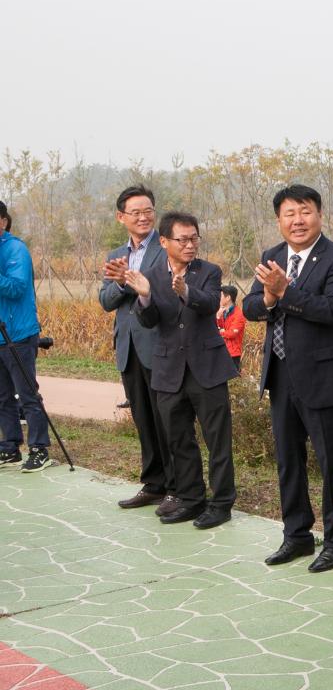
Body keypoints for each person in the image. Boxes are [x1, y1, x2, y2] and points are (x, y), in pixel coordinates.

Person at [243, 185, 333, 573]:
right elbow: (249, 307)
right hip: (280, 376)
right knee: (288, 461)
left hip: (325, 378)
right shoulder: (272, 256)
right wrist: (266, 298)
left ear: (319, 215)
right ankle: (296, 535)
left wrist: (285, 291)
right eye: (289, 213)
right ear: (279, 220)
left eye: (305, 211)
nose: (298, 220)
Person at [126, 212, 237, 529]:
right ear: (164, 242)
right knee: (178, 439)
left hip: (207, 368)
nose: (190, 245)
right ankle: (190, 498)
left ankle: (221, 502)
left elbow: (207, 303)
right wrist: (145, 295)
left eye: (194, 238)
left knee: (217, 440)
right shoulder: (150, 275)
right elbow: (148, 321)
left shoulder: (208, 271)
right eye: (182, 239)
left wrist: (184, 291)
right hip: (168, 369)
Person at [100, 185, 176, 511]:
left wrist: (134, 281)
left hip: (160, 346)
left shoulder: (166, 248)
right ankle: (154, 483)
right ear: (121, 217)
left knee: (168, 420)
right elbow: (105, 301)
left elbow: (170, 294)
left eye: (148, 211)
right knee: (143, 419)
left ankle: (177, 486)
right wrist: (120, 283)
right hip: (129, 347)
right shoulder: (115, 255)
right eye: (135, 212)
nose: (143, 217)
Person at [0, 202, 52, 471]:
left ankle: (39, 448)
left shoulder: (16, 249)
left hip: (18, 334)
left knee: (27, 395)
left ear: (3, 221)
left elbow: (17, 288)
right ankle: (10, 447)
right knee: (2, 397)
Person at [216, 286, 246, 371]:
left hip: (233, 353)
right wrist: (218, 316)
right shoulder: (222, 311)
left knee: (233, 380)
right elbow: (217, 327)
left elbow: (232, 333)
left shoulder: (239, 314)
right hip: (222, 350)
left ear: (228, 297)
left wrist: (220, 332)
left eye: (221, 296)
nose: (219, 298)